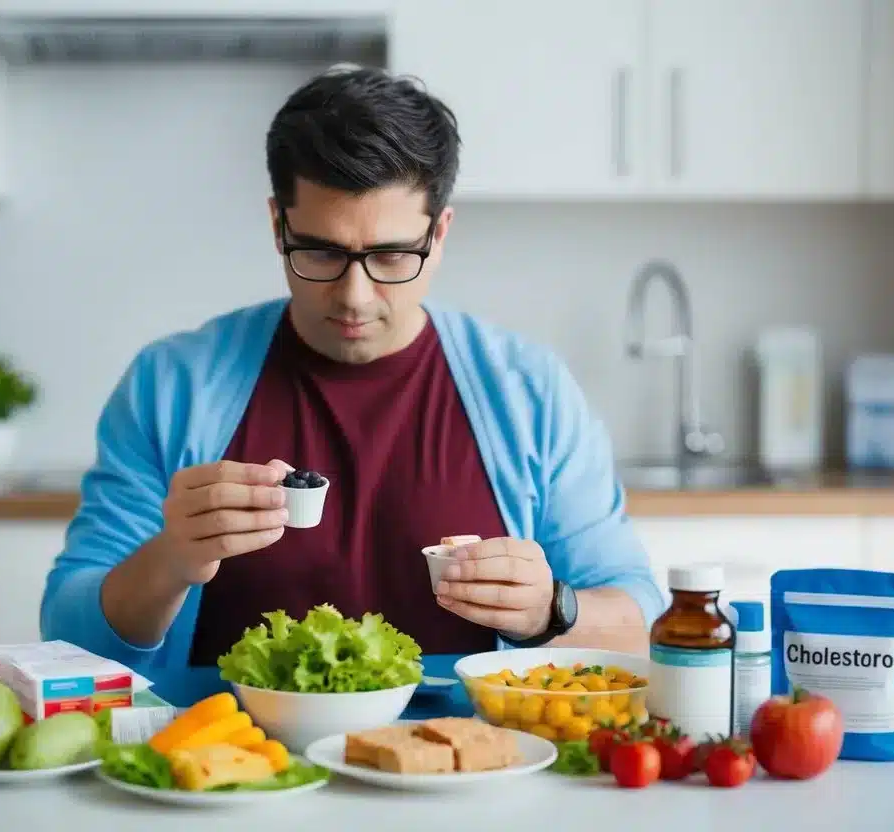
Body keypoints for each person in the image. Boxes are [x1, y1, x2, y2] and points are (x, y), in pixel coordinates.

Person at [40, 65, 663, 706]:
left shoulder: (530, 392)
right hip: (231, 765)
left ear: (439, 234)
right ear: (278, 225)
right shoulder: (172, 385)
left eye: (392, 256)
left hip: (465, 762)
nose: (354, 297)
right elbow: (69, 638)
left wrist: (549, 612)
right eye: (322, 253)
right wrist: (172, 559)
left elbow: (643, 622)